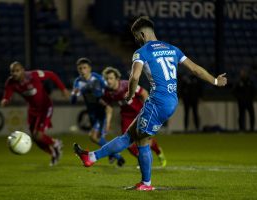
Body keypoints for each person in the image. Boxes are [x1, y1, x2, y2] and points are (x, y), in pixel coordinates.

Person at [73, 16, 227, 191]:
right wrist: (215, 81)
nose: (136, 40)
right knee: (130, 135)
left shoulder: (142, 52)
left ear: (142, 34)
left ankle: (145, 183)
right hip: (170, 100)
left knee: (140, 140)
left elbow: (135, 77)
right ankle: (91, 157)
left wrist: (130, 95)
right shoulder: (172, 49)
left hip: (157, 102)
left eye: (136, 37)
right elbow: (195, 69)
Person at [1, 61, 70, 166]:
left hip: (45, 107)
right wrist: (5, 100)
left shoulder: (33, 75)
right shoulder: (11, 82)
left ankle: (56, 143)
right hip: (33, 110)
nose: (15, 73)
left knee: (38, 135)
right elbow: (8, 93)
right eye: (12, 71)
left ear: (23, 71)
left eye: (17, 71)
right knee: (35, 138)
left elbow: (51, 74)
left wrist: (63, 89)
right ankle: (53, 153)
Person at [101, 66, 166, 167]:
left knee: (145, 139)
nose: (108, 81)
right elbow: (109, 107)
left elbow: (144, 93)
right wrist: (108, 123)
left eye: (111, 78)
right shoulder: (107, 92)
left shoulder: (127, 85)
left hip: (139, 113)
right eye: (107, 79)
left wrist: (148, 110)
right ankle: (141, 159)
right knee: (127, 142)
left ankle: (159, 153)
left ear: (117, 79)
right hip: (126, 117)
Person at [71, 58, 125, 167]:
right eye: (80, 68)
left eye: (85, 68)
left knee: (94, 136)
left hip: (101, 112)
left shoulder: (97, 78)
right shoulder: (78, 82)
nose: (82, 70)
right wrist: (74, 94)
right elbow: (73, 101)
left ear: (89, 69)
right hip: (92, 114)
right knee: (99, 138)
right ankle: (114, 155)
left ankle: (117, 156)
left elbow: (108, 90)